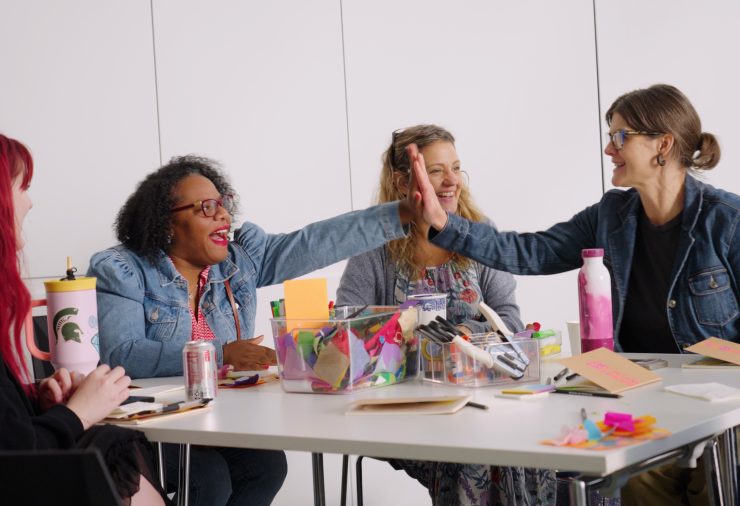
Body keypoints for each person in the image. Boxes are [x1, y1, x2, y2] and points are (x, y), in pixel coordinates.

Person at [410, 85, 739, 505]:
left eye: (621, 137)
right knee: (630, 479)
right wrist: (444, 223)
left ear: (663, 145)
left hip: (723, 418)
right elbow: (529, 250)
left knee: (714, 487)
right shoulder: (611, 216)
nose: (609, 148)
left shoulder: (727, 222)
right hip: (647, 413)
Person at [87, 155, 421, 506]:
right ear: (167, 223)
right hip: (146, 429)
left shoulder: (239, 262)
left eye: (224, 204)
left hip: (211, 420)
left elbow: (315, 242)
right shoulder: (122, 270)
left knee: (268, 465)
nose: (223, 216)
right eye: (206, 207)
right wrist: (221, 353)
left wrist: (401, 212)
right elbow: (120, 354)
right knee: (209, 477)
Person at [337, 124, 555, 506]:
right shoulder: (375, 245)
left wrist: (462, 336)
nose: (451, 181)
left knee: (528, 445)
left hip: (480, 397)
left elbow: (509, 318)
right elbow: (346, 326)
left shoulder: (478, 233)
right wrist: (394, 334)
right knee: (470, 453)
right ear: (401, 179)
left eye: (456, 168)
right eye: (436, 170)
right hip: (407, 410)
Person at [0, 133, 169, 505]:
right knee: (110, 446)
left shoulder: (231, 270)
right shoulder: (120, 269)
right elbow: (15, 462)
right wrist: (76, 413)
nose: (30, 200)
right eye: (21, 185)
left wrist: (36, 404)